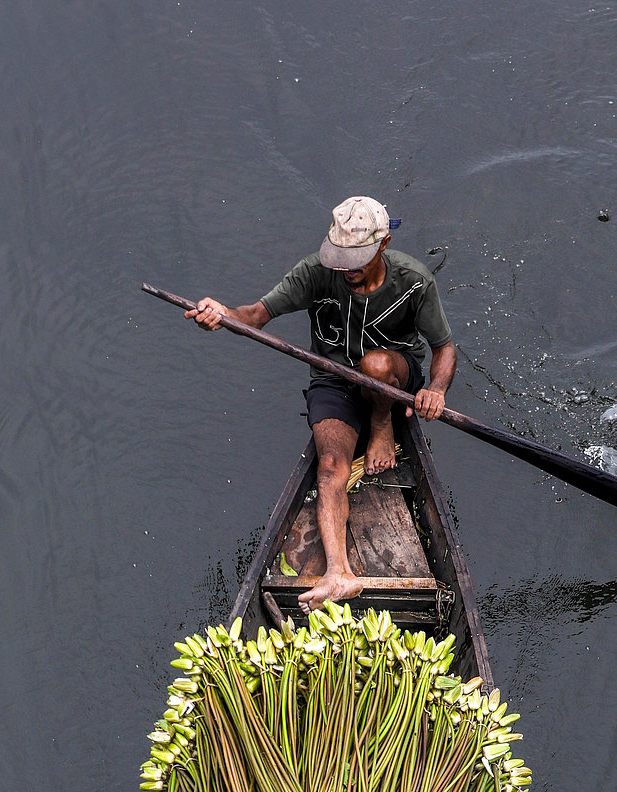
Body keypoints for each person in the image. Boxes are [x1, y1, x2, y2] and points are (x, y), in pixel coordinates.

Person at [187, 196, 457, 607]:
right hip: (334, 381)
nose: (346, 269)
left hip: (394, 378)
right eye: (341, 259)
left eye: (357, 260)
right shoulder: (316, 273)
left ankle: (381, 425)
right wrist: (222, 313)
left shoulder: (414, 280)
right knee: (331, 468)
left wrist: (435, 391)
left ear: (382, 246)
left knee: (376, 364)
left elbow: (444, 348)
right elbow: (256, 315)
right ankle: (338, 573)